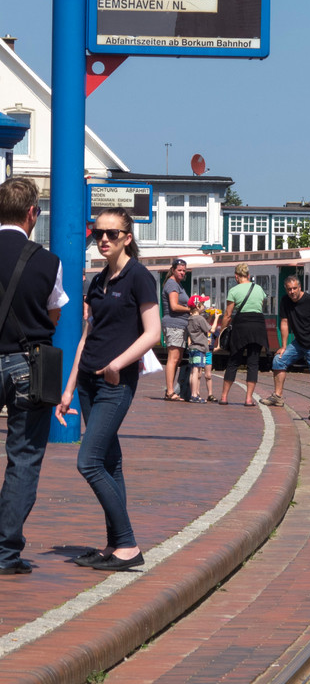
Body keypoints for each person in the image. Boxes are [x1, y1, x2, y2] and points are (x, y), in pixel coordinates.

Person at [56, 207, 161, 571]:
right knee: (110, 463)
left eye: (112, 233)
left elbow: (153, 333)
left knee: (89, 461)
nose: (103, 239)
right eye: (98, 232)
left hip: (115, 383)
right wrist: (68, 388)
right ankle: (115, 544)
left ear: (127, 238)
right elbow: (87, 337)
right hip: (86, 382)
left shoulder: (139, 277)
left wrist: (118, 364)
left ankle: (128, 545)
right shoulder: (98, 281)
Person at [0, 178, 69, 575]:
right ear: (32, 213)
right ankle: (5, 553)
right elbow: (54, 312)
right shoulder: (47, 261)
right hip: (29, 364)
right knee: (23, 458)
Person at [262, 276, 310, 421]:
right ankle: (277, 396)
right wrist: (283, 346)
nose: (292, 292)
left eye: (294, 288)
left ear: (300, 288)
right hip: (299, 343)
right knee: (278, 360)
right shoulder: (285, 301)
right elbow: (284, 322)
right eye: (289, 289)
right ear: (286, 290)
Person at [217, 264, 267, 407]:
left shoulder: (233, 290)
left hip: (241, 326)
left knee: (233, 361)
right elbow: (260, 304)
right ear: (249, 275)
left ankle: (224, 396)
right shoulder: (259, 289)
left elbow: (228, 314)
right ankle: (249, 399)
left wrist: (222, 332)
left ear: (236, 276)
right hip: (257, 326)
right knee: (253, 363)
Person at [161, 258, 189, 401]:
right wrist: (190, 309)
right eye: (180, 270)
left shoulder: (178, 284)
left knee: (177, 358)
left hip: (181, 325)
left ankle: (171, 390)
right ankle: (170, 391)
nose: (182, 273)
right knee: (173, 358)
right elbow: (174, 306)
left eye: (184, 270)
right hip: (174, 324)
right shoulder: (172, 284)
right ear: (173, 270)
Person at [186, 294, 213, 404]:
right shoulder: (200, 318)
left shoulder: (190, 319)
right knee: (196, 371)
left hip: (192, 348)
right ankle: (194, 395)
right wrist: (215, 318)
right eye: (202, 304)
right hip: (199, 348)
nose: (204, 307)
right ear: (197, 306)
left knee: (193, 371)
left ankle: (192, 394)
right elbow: (210, 329)